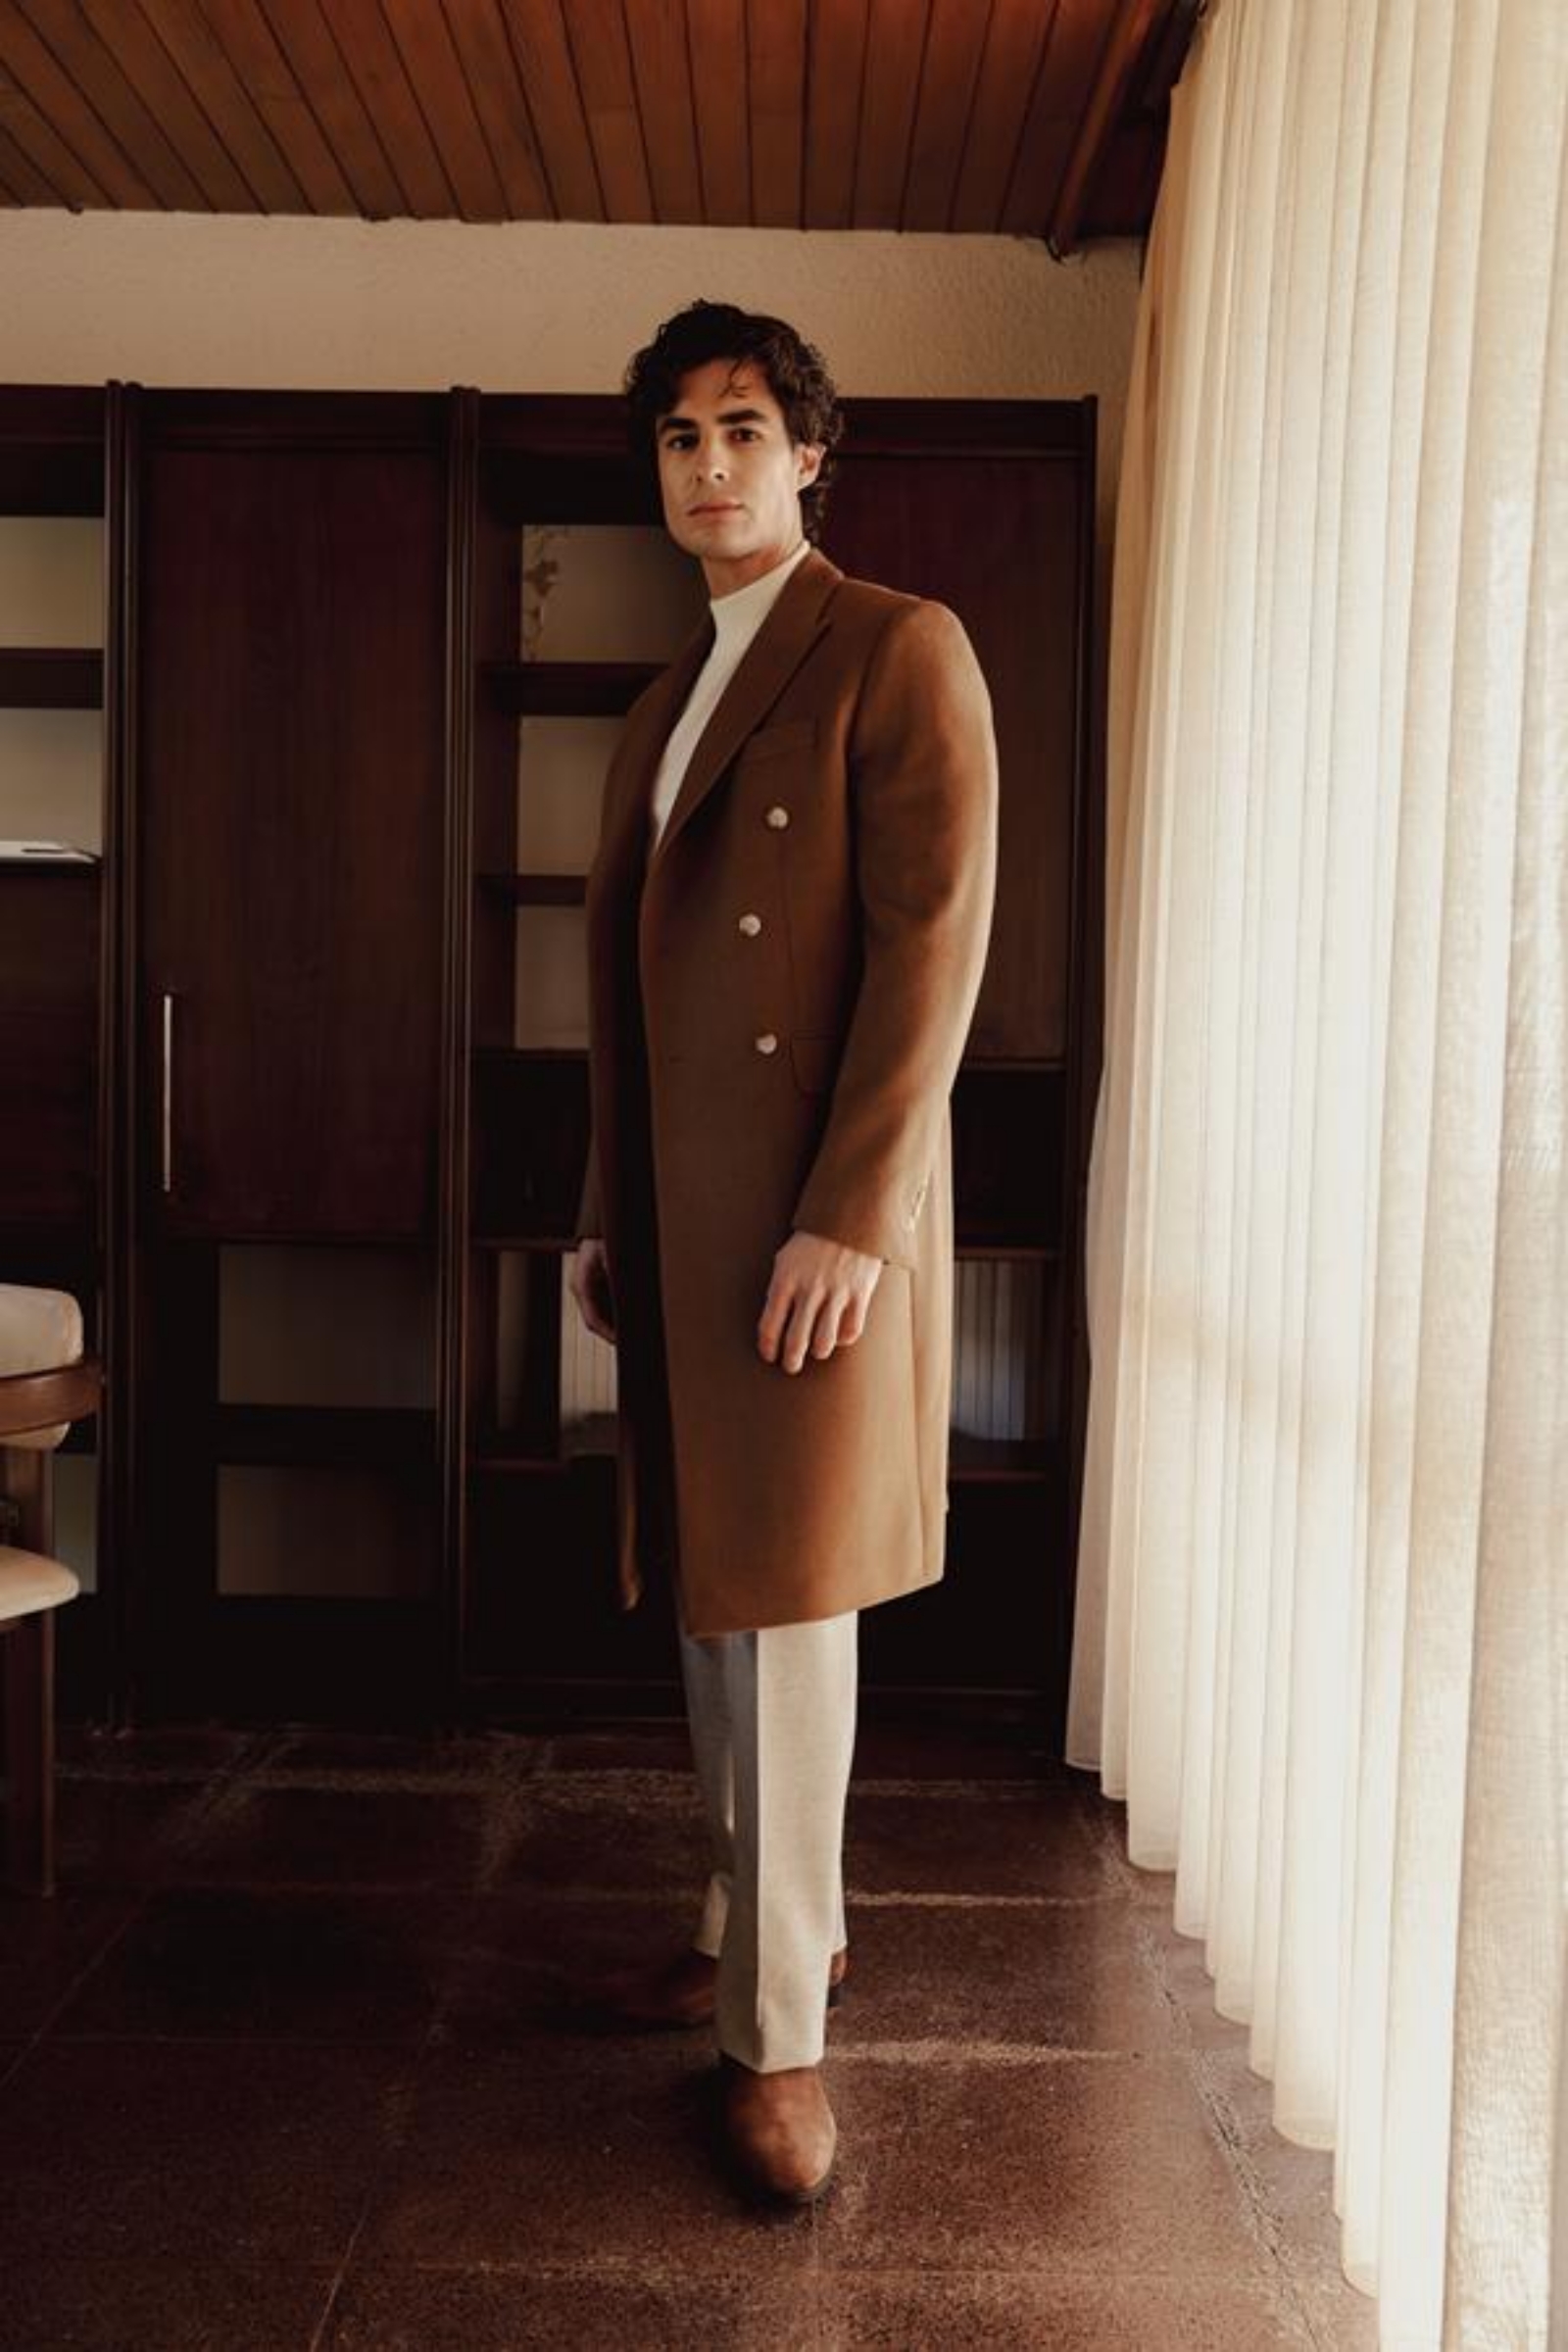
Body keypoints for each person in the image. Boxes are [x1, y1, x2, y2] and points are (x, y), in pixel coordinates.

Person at [567, 299, 998, 2205]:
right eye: (679, 437)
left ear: (809, 455)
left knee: (796, 1610)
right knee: (712, 1594)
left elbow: (932, 954)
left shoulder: (894, 644)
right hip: (681, 1219)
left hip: (814, 1222)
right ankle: (753, 1924)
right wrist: (604, 1203)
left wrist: (853, 1214)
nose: (708, 464)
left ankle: (782, 2040)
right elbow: (629, 996)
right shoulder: (668, 700)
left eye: (743, 429)